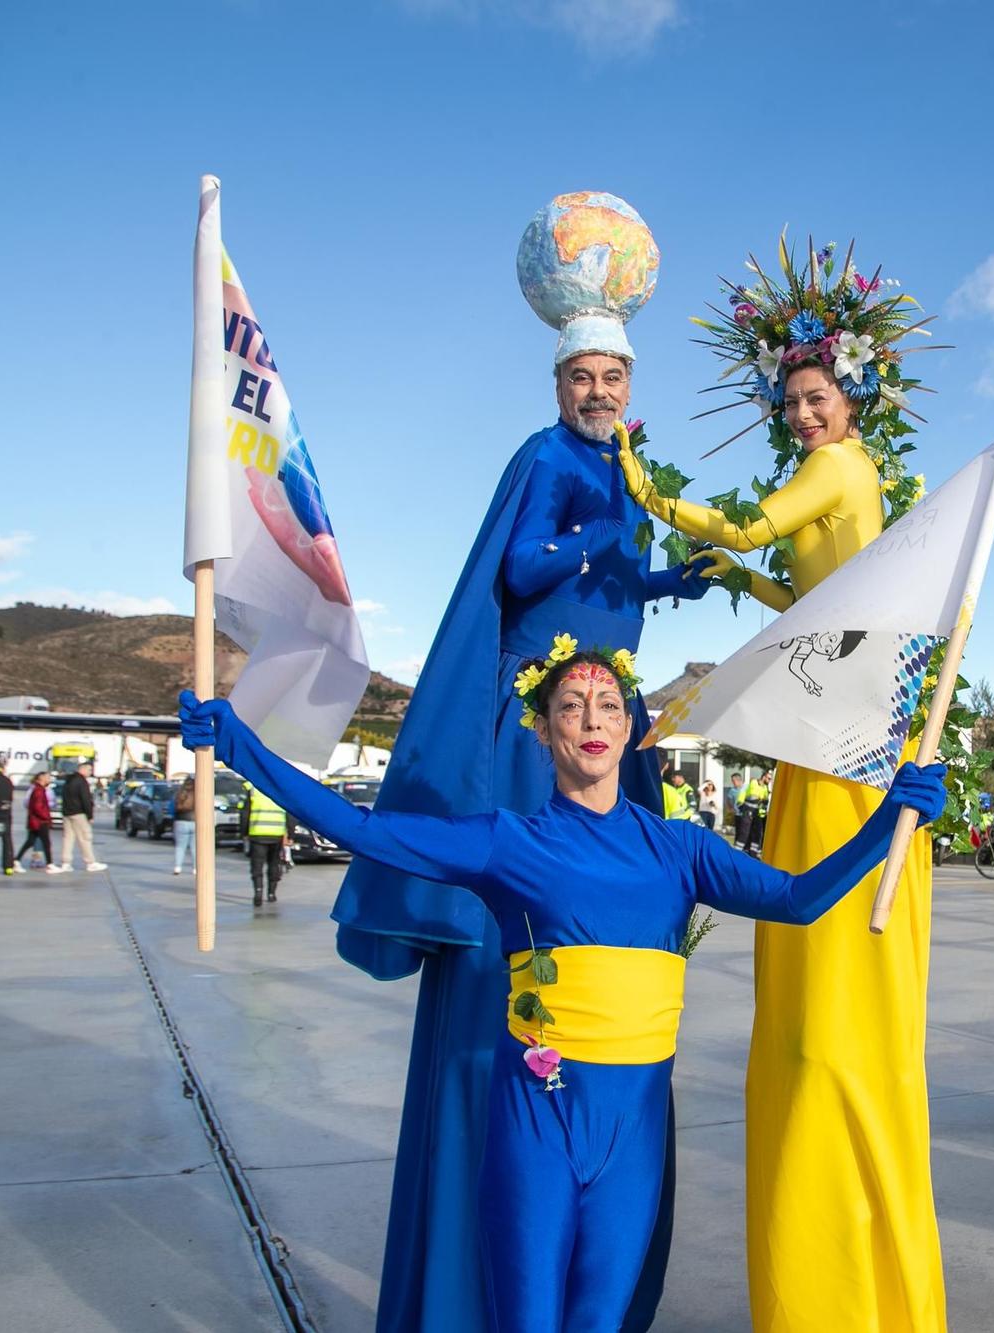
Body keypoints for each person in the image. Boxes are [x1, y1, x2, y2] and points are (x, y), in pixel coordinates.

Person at [181, 654, 947, 1333]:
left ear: (628, 728)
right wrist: (242, 747)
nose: (591, 718)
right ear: (542, 729)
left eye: (609, 705)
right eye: (571, 706)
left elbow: (800, 899)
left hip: (635, 1138)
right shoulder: (508, 841)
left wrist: (889, 819)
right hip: (534, 1132)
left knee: (600, 1320)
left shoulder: (679, 848)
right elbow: (364, 829)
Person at [330, 194, 707, 1333]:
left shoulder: (629, 468)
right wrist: (609, 531)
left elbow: (608, 591)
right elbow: (524, 567)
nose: (599, 392)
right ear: (558, 384)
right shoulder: (545, 459)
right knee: (513, 978)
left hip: (602, 730)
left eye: (614, 378)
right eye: (583, 376)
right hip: (529, 742)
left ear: (630, 385)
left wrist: (664, 579)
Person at [617, 240, 947, 1331]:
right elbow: (797, 586)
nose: (803, 415)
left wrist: (648, 492)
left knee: (821, 1016)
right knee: (818, 1005)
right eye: (792, 403)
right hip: (825, 748)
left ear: (851, 401)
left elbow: (756, 524)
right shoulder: (847, 489)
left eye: (816, 398)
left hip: (840, 757)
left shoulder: (840, 470)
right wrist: (742, 575)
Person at [244, 780, 289, 907]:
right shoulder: (279, 790)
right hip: (276, 834)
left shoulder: (253, 789)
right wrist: (290, 833)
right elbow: (290, 813)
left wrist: (244, 832)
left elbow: (245, 813)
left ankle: (258, 893)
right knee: (274, 864)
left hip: (257, 834)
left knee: (257, 866)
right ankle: (271, 894)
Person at [59, 761, 105, 873]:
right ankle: (90, 862)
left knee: (68, 838)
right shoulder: (81, 781)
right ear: (82, 769)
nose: (90, 772)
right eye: (89, 770)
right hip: (79, 813)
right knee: (85, 838)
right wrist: (90, 815)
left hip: (67, 813)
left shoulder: (68, 780)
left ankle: (66, 862)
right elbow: (86, 799)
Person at [24, 771, 56, 871]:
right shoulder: (37, 790)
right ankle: (47, 863)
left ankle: (17, 859)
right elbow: (31, 804)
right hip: (39, 820)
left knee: (32, 841)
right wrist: (45, 816)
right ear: (41, 778)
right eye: (47, 777)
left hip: (40, 818)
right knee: (43, 842)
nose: (49, 779)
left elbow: (52, 801)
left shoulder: (46, 790)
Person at [737, 771, 770, 853]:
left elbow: (764, 803)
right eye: (769, 778)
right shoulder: (753, 782)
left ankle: (753, 853)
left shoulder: (765, 788)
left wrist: (762, 815)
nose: (769, 781)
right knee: (744, 833)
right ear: (764, 777)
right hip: (748, 810)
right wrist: (740, 804)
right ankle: (737, 851)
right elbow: (743, 792)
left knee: (758, 833)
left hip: (757, 813)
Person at [172, 775, 198, 875]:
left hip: (180, 821)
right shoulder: (197, 793)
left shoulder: (179, 793)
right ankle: (195, 868)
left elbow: (173, 808)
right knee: (194, 847)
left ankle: (177, 867)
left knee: (180, 846)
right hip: (194, 821)